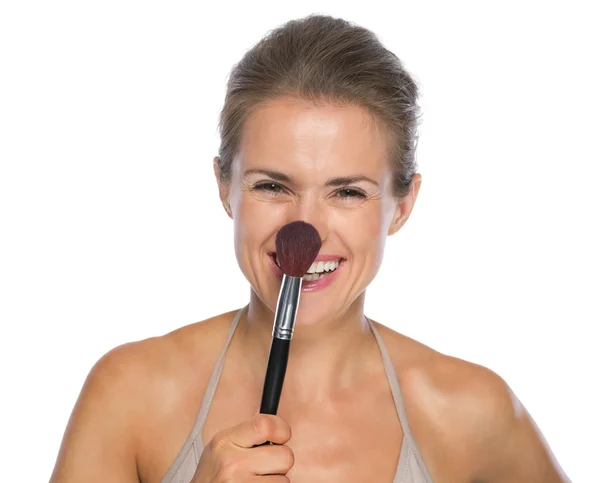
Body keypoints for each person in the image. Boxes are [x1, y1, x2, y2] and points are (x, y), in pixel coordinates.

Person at [49, 14, 570, 483]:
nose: (308, 226)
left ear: (403, 204)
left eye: (348, 192)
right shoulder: (130, 394)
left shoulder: (471, 412)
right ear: (224, 187)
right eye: (273, 186)